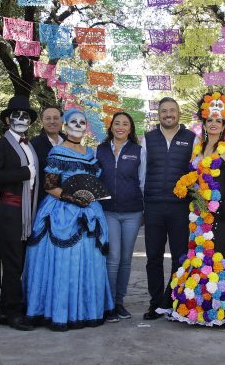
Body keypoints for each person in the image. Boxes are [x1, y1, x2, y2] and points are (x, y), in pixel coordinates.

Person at [24, 109, 114, 330]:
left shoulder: (90, 153)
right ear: (65, 126)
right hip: (62, 211)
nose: (78, 125)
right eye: (73, 121)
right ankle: (59, 311)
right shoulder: (57, 152)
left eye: (82, 122)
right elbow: (50, 186)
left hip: (90, 211)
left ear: (86, 127)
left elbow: (94, 183)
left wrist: (86, 200)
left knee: (90, 259)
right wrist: (72, 198)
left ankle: (86, 309)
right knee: (64, 261)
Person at [167, 91, 225, 327]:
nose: (213, 124)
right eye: (209, 120)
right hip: (197, 211)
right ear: (203, 123)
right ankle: (196, 306)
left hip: (219, 212)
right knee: (196, 254)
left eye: (218, 120)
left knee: (215, 255)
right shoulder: (197, 148)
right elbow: (194, 177)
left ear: (224, 124)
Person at [0, 96, 40, 331]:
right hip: (10, 210)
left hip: (29, 212)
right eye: (16, 115)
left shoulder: (31, 145)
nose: (21, 119)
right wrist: (23, 173)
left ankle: (10, 309)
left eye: (25, 115)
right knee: (13, 263)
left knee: (23, 263)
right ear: (7, 119)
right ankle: (14, 313)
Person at [142, 97, 196, 320]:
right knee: (153, 257)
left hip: (180, 208)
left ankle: (174, 301)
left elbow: (196, 171)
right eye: (164, 111)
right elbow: (141, 173)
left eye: (172, 110)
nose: (168, 114)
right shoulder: (147, 139)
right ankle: (155, 303)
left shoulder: (191, 139)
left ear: (179, 113)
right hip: (153, 206)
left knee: (179, 257)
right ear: (158, 114)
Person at [96, 112, 145, 322]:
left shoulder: (138, 151)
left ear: (130, 128)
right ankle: (108, 304)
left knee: (125, 259)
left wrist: (144, 209)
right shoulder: (100, 150)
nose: (121, 127)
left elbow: (143, 181)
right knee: (113, 257)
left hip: (133, 212)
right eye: (117, 123)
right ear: (111, 126)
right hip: (108, 211)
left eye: (125, 124)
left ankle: (119, 302)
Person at [30, 106, 67, 205]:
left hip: (69, 201)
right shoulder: (33, 145)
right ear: (42, 121)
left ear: (62, 121)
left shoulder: (70, 143)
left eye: (55, 118)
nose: (52, 121)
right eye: (48, 118)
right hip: (43, 202)